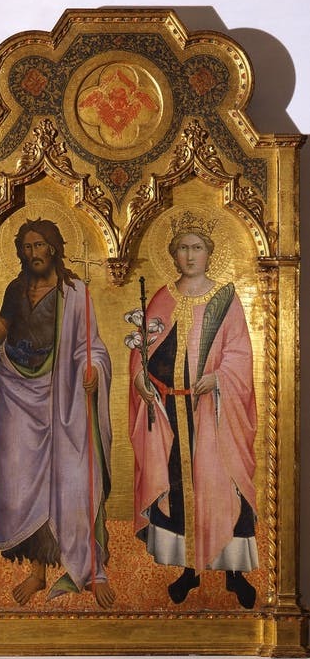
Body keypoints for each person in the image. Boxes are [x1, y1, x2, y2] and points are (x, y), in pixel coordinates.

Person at [0, 219, 114, 608]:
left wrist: (92, 370)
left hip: (61, 392)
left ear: (53, 248)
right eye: (27, 246)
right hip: (15, 392)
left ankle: (87, 566)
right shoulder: (15, 289)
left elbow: (92, 345)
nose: (33, 253)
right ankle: (37, 572)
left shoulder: (75, 293)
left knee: (68, 477)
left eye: (39, 245)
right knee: (23, 480)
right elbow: (5, 338)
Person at [128, 213, 258, 609]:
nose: (189, 255)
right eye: (183, 248)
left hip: (215, 413)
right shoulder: (162, 298)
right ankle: (189, 570)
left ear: (209, 253)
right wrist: (141, 379)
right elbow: (142, 350)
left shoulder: (226, 298)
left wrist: (218, 378)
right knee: (179, 486)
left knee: (222, 484)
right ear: (173, 254)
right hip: (172, 411)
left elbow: (240, 353)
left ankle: (234, 574)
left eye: (196, 247)